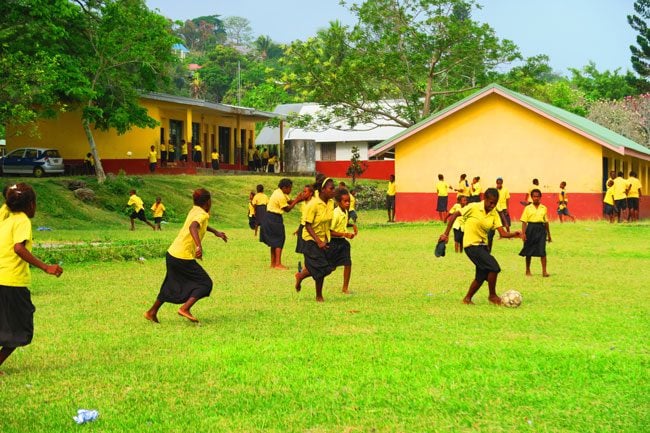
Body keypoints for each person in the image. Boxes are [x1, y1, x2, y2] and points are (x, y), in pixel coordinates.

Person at [0, 183, 63, 373]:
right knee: (21, 327)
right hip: (12, 281)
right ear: (30, 205)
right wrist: (46, 267)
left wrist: (11, 192)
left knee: (5, 323)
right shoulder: (22, 220)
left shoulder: (5, 217)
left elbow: (6, 200)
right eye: (35, 202)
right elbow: (18, 248)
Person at [145, 188, 228, 324]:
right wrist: (198, 245)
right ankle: (185, 309)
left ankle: (151, 312)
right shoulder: (202, 214)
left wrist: (215, 232)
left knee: (170, 284)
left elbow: (199, 225)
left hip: (172, 253)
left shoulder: (195, 209)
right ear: (208, 202)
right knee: (205, 284)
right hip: (182, 257)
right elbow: (193, 227)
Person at [439, 187, 521, 305]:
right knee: (494, 267)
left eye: (495, 203)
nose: (492, 205)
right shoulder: (474, 207)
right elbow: (455, 214)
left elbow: (502, 233)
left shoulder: (494, 213)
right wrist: (446, 234)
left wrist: (515, 234)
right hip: (471, 245)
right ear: (485, 199)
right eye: (491, 202)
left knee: (481, 275)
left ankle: (467, 299)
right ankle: (492, 296)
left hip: (483, 247)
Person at [294, 177, 337, 302]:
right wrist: (318, 241)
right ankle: (319, 295)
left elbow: (328, 223)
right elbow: (307, 225)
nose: (333, 191)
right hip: (310, 239)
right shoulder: (313, 204)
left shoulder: (330, 203)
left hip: (324, 239)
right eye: (331, 188)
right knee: (321, 268)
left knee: (329, 267)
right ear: (323, 190)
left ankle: (301, 275)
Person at [260, 178, 304, 269]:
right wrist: (297, 200)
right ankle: (278, 264)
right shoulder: (280, 195)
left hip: (270, 217)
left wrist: (300, 199)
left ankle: (273, 263)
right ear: (284, 188)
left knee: (273, 241)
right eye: (290, 188)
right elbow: (287, 209)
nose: (290, 190)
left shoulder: (280, 192)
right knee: (279, 239)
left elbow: (290, 201)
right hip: (274, 218)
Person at [329, 187, 358, 294]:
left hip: (343, 243)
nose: (347, 203)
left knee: (348, 263)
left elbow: (343, 223)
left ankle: (345, 288)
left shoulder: (345, 211)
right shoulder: (335, 213)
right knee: (329, 268)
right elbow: (329, 231)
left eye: (348, 201)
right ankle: (303, 274)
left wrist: (352, 225)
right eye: (345, 201)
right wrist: (345, 234)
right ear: (338, 201)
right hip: (332, 242)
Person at [519, 189, 551, 277]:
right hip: (530, 229)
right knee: (528, 250)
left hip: (541, 229)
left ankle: (544, 271)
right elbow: (524, 222)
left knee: (542, 250)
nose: (536, 198)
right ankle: (527, 270)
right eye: (534, 196)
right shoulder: (527, 208)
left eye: (537, 196)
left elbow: (546, 222)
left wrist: (549, 235)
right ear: (531, 197)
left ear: (540, 197)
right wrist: (523, 233)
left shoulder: (544, 208)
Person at [294, 184, 315, 255]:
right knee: (303, 247)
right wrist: (299, 228)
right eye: (303, 191)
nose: (303, 193)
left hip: (311, 226)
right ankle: (306, 265)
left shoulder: (314, 203)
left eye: (305, 192)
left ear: (311, 193)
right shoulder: (303, 203)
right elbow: (303, 217)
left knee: (310, 246)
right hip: (303, 226)